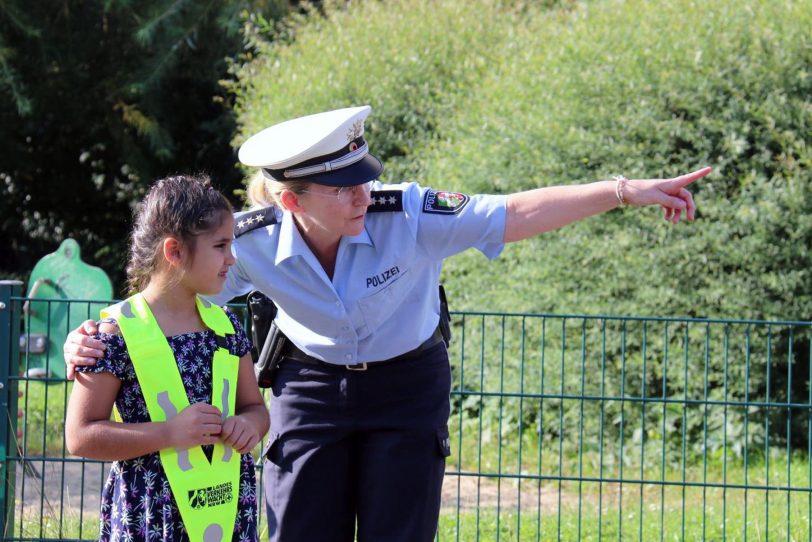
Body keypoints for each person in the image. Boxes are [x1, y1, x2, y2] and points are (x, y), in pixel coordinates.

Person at [65, 105, 711, 542]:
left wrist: (624, 191)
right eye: (342, 187)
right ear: (292, 201)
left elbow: (515, 213)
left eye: (363, 179)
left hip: (407, 388)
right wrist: (92, 337)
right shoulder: (254, 241)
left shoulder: (409, 214)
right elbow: (170, 287)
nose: (361, 195)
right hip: (311, 390)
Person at [64, 175, 270, 542]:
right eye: (220, 245)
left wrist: (250, 425)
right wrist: (169, 433)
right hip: (151, 515)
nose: (231, 258)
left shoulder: (227, 327)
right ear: (174, 251)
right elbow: (80, 436)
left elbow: (255, 407)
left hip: (226, 512)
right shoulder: (114, 335)